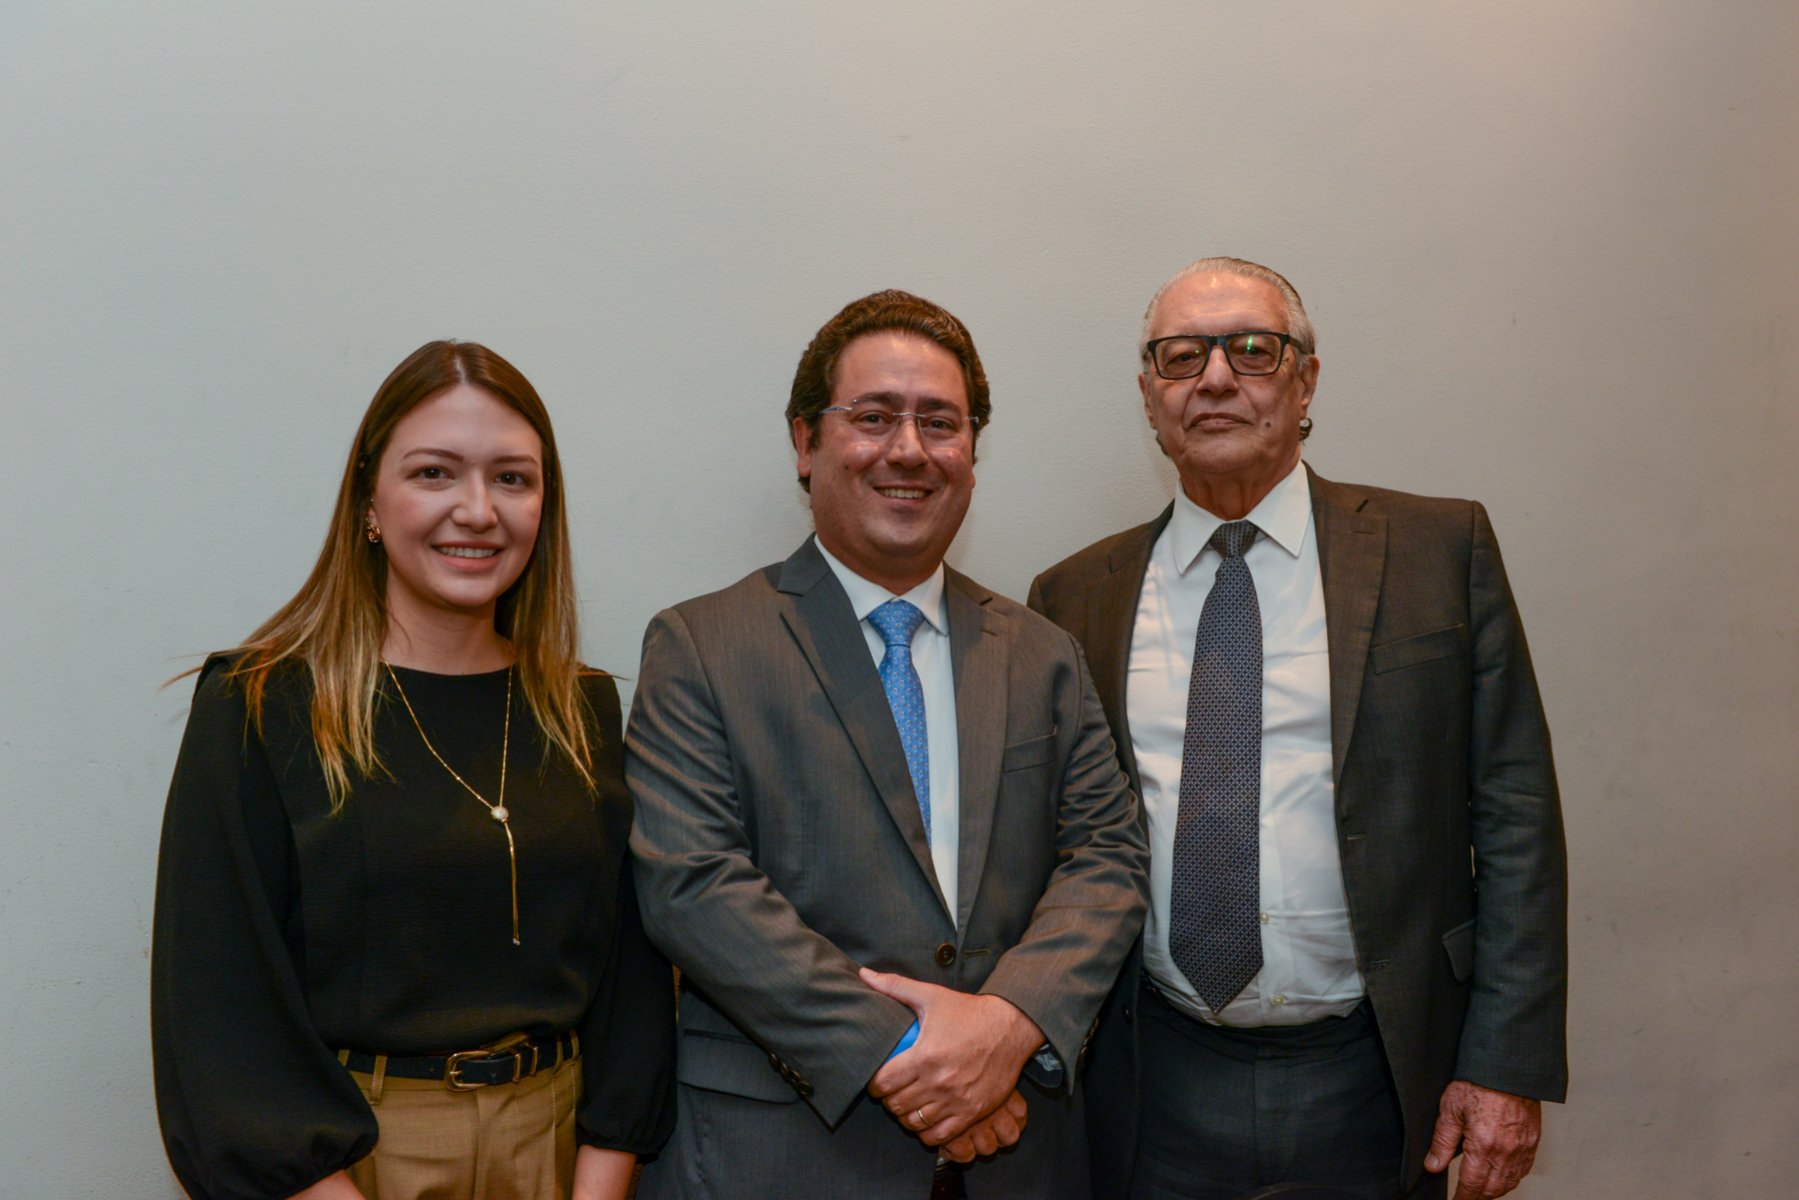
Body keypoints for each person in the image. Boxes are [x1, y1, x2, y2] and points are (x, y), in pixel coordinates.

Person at [1028, 259, 1568, 1200]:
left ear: (1305, 381)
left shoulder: (1439, 551)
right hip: (1151, 1076)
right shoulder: (1074, 596)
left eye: (1251, 349)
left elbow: (1516, 812)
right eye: (1180, 356)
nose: (1214, 378)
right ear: (1150, 396)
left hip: (1380, 1070)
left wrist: (1504, 1063)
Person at [626, 290, 1150, 1199]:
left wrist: (1006, 1027)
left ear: (971, 453)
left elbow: (1108, 856)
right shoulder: (701, 645)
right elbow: (693, 886)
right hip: (785, 1159)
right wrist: (919, 1056)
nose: (908, 449)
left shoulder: (1042, 653)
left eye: (939, 423)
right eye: (873, 417)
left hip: (1020, 1159)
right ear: (806, 442)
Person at [152, 341, 675, 1200]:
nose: (477, 510)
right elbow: (220, 1006)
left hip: (555, 1150)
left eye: (512, 479)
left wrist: (597, 1184)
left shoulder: (579, 708)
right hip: (353, 1162)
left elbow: (631, 982)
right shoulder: (260, 705)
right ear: (369, 501)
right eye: (434, 473)